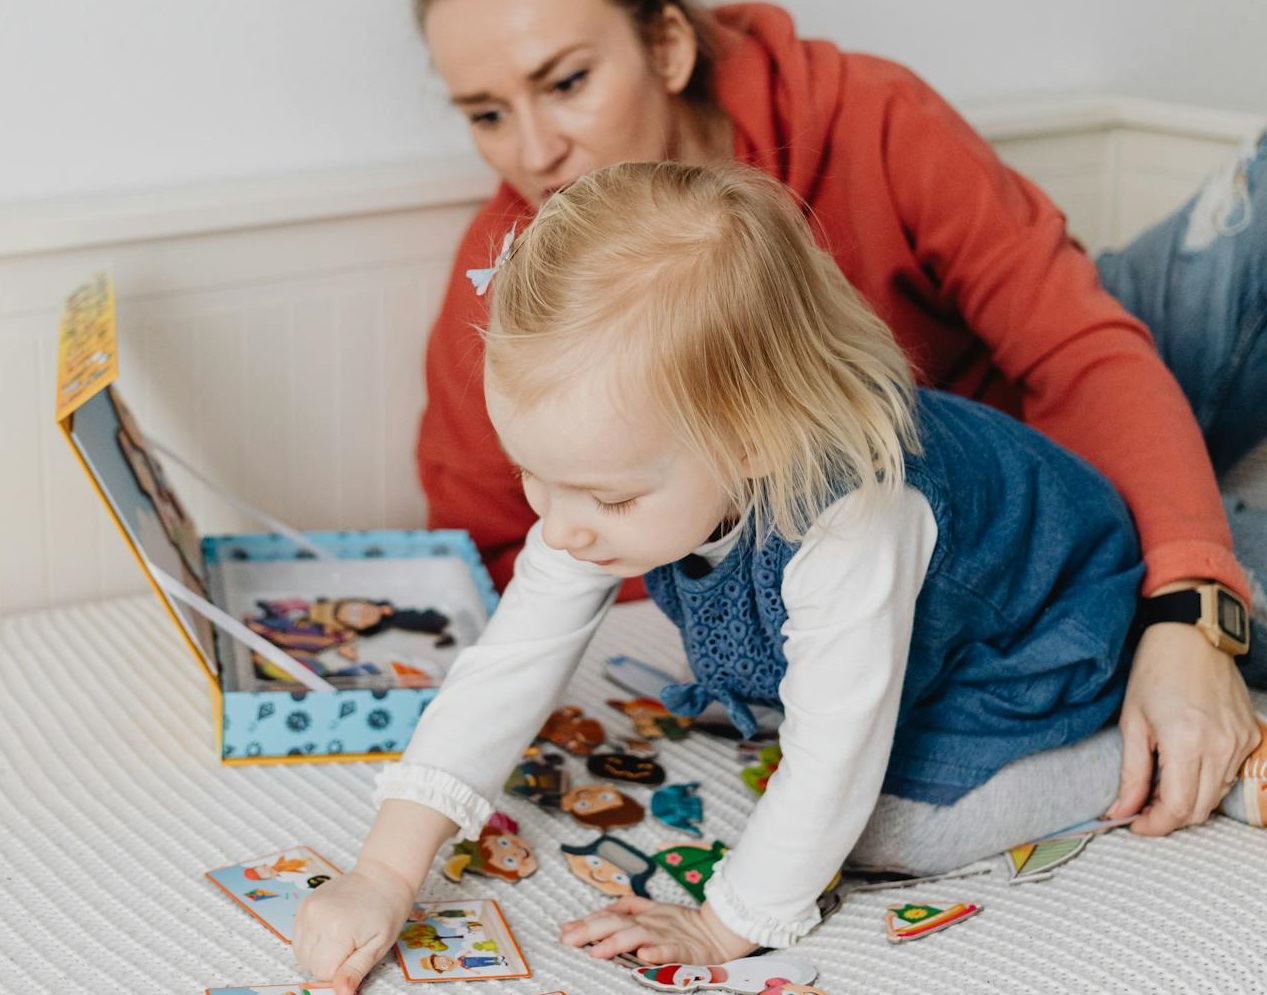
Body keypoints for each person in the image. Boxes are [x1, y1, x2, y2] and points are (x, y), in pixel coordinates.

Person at [294, 161, 1267, 992]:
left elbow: (835, 746)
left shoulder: (853, 524)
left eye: (610, 499)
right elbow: (508, 665)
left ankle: (1146, 752)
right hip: (928, 628)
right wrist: (384, 870)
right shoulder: (588, 491)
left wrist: (728, 921)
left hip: (1043, 621)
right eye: (532, 476)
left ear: (753, 442)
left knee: (888, 830)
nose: (558, 524)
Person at [412, 0, 1267, 839]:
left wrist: (1191, 607)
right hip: (961, 564)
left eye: (566, 82)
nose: (534, 150)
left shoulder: (869, 115)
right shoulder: (518, 296)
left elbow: (1078, 351)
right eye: (487, 114)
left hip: (1043, 475)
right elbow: (501, 553)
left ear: (667, 44)